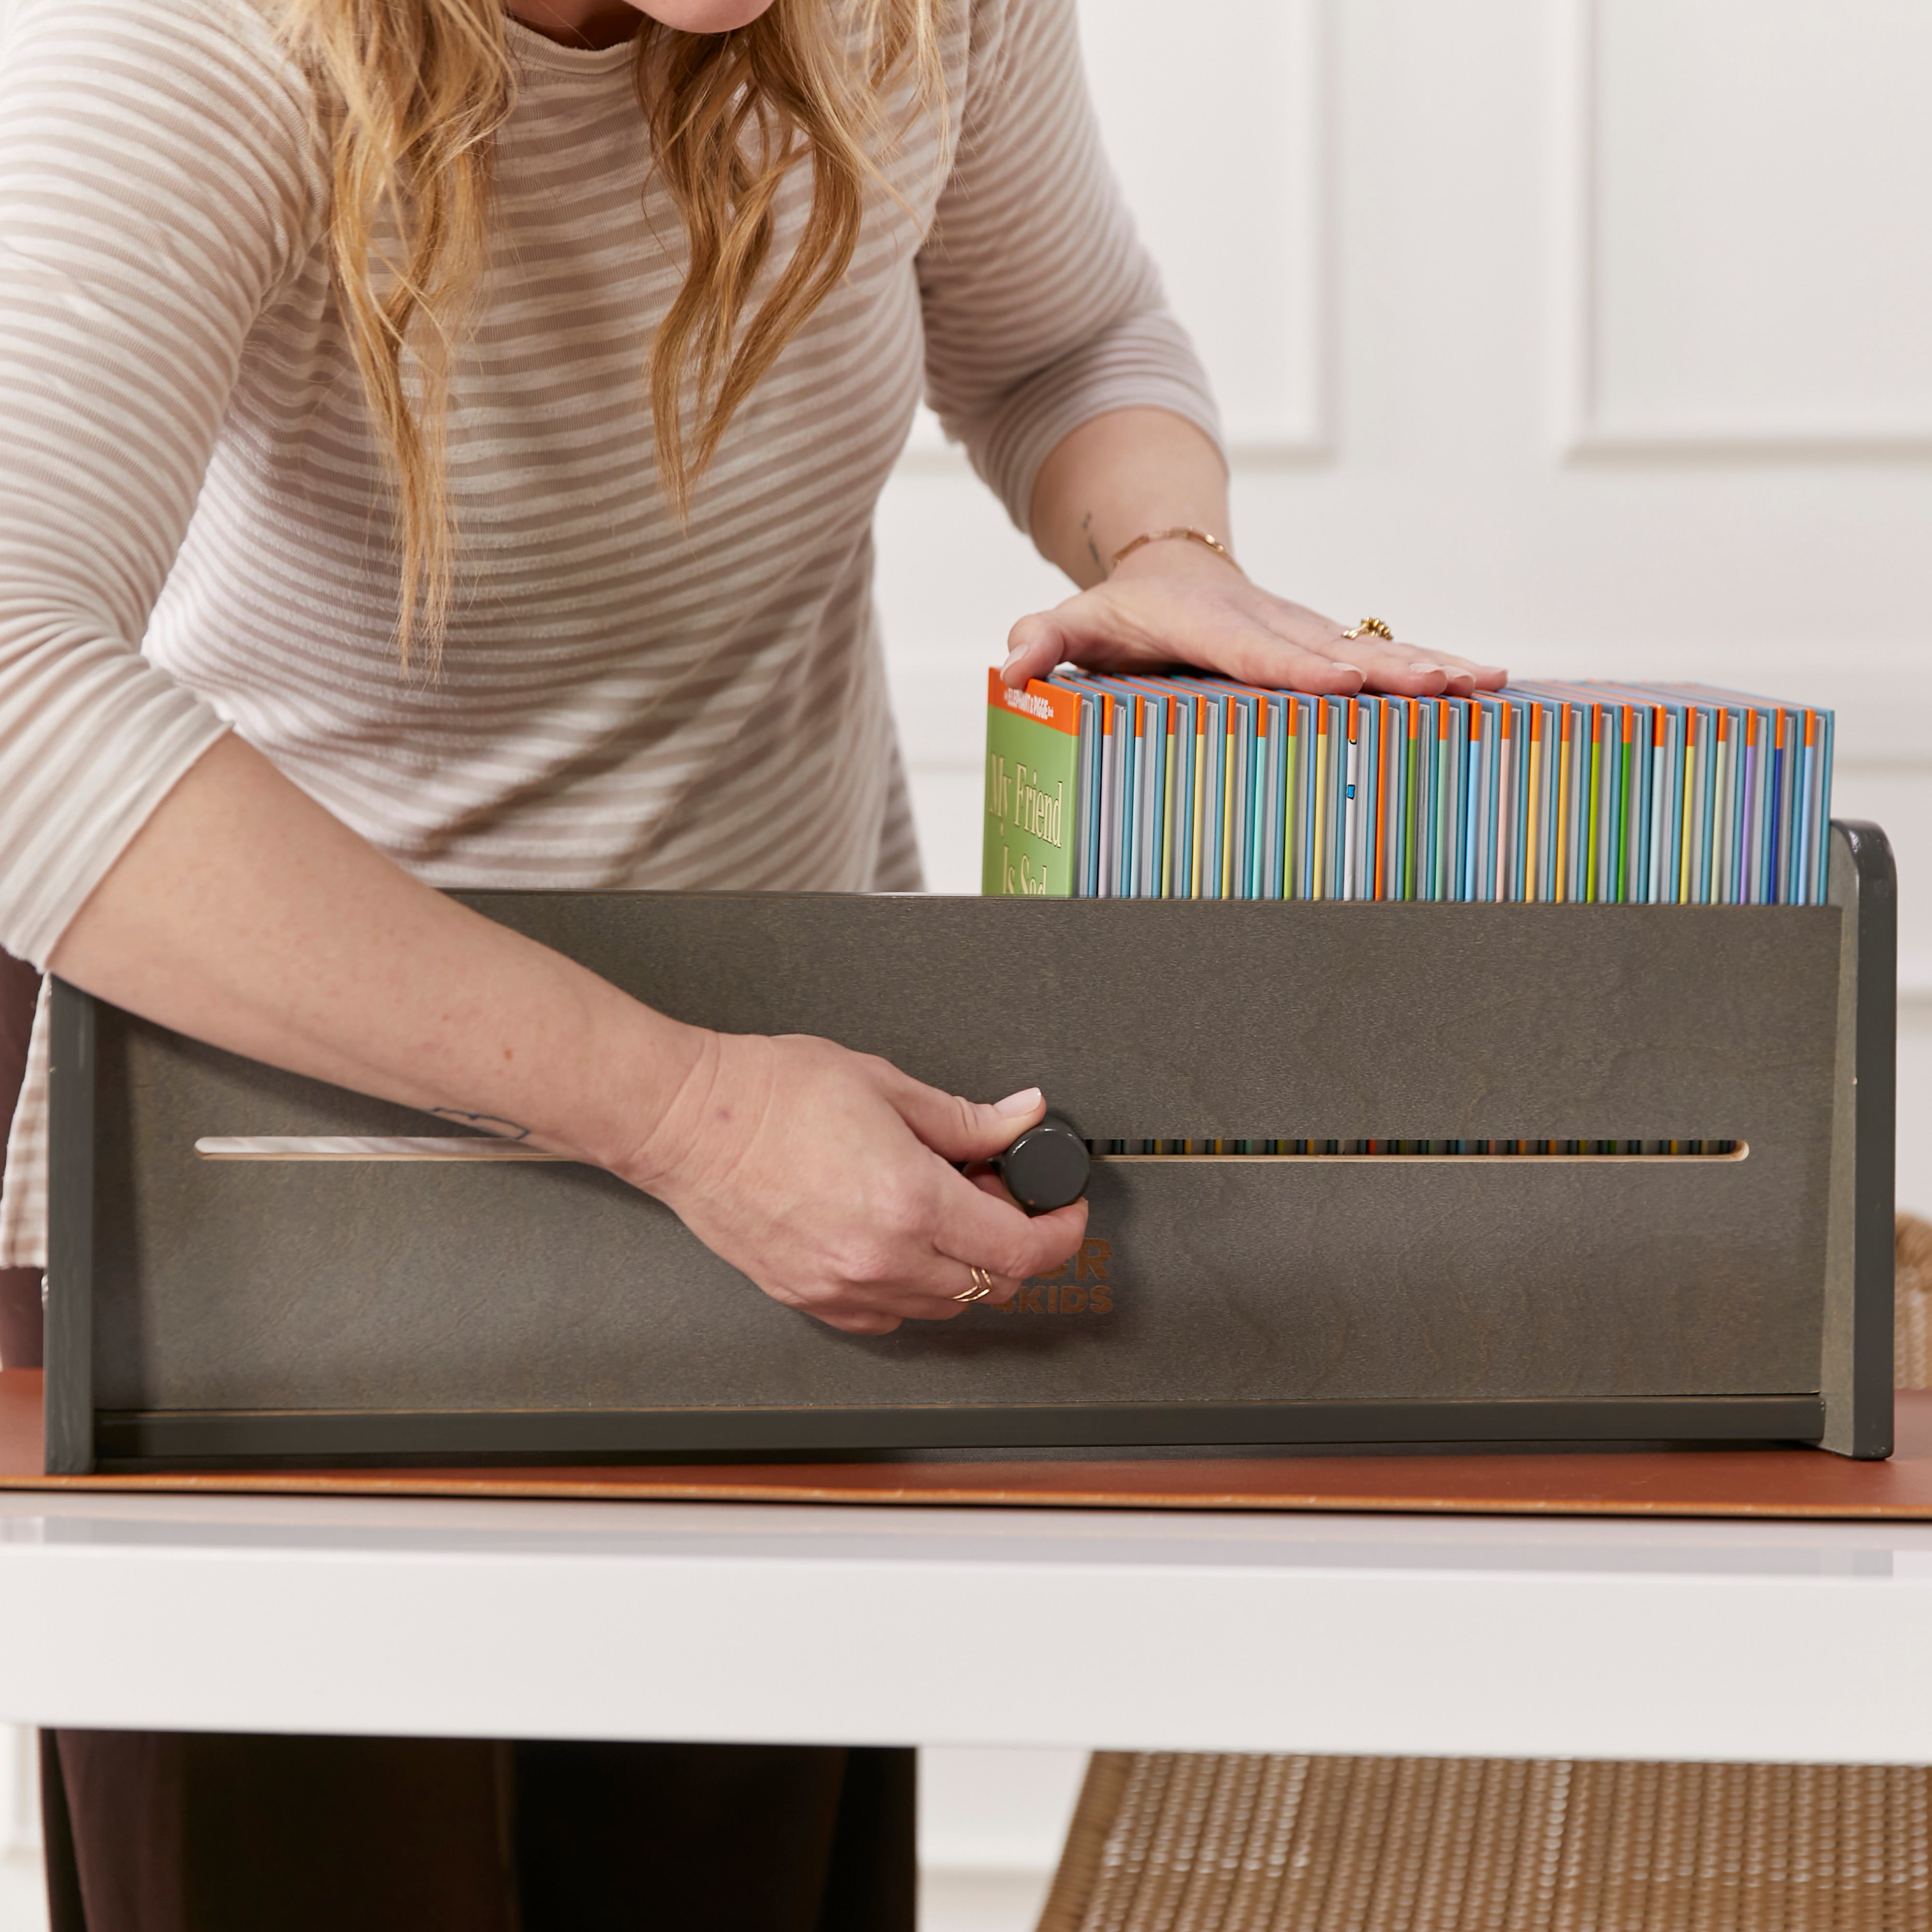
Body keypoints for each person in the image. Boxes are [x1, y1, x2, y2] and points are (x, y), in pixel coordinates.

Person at [0, 0, 1506, 1920]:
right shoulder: (194, 41)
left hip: (790, 1181)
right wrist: (681, 1103)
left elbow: (1061, 338)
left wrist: (1162, 542)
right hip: (276, 1201)